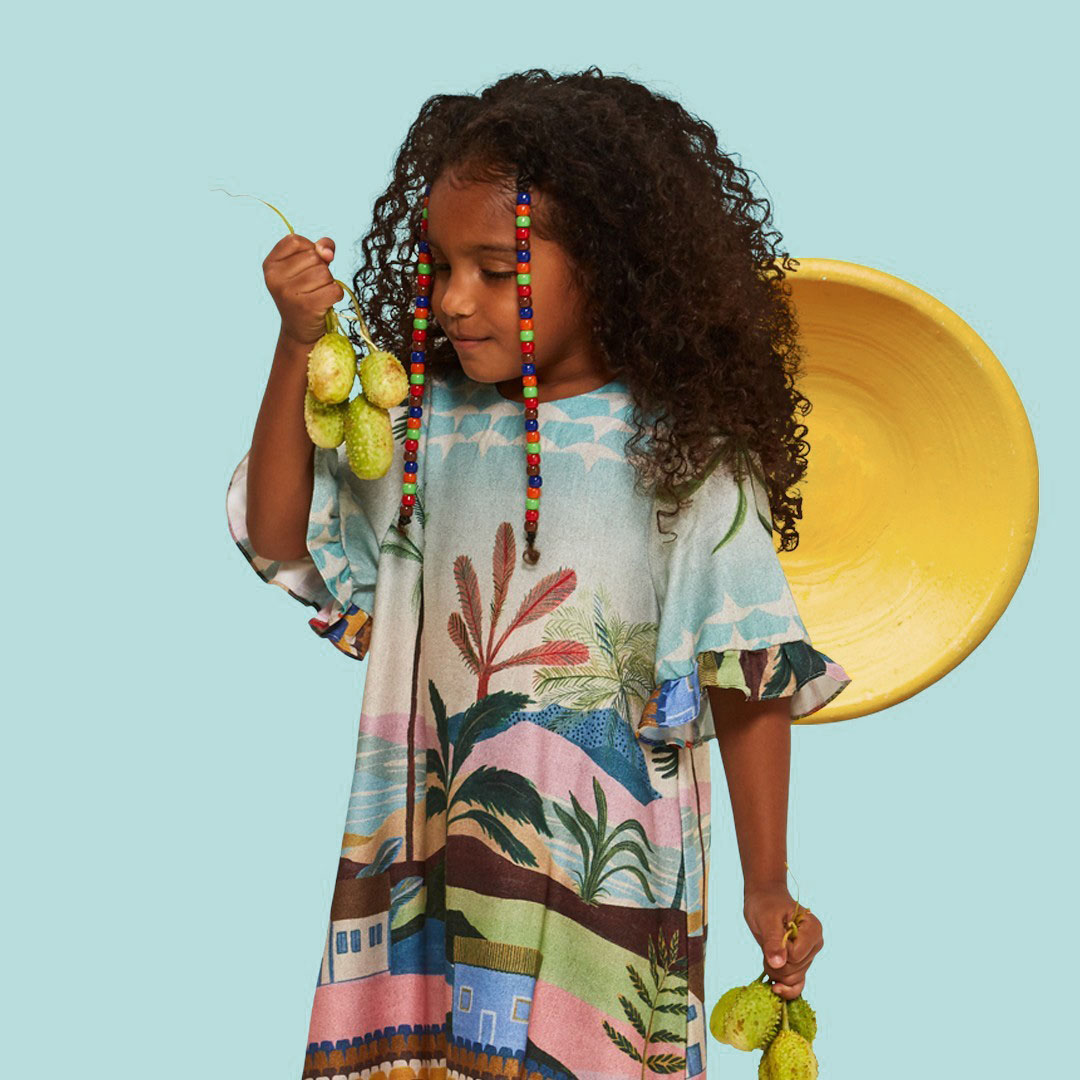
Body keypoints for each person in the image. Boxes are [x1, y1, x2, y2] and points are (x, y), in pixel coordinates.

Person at [226, 66, 852, 1080]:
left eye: (495, 268)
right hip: (434, 859)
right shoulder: (423, 428)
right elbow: (278, 529)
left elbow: (746, 672)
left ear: (609, 266)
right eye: (441, 265)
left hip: (609, 871)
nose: (454, 299)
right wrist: (299, 345)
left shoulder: (687, 458)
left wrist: (768, 883)